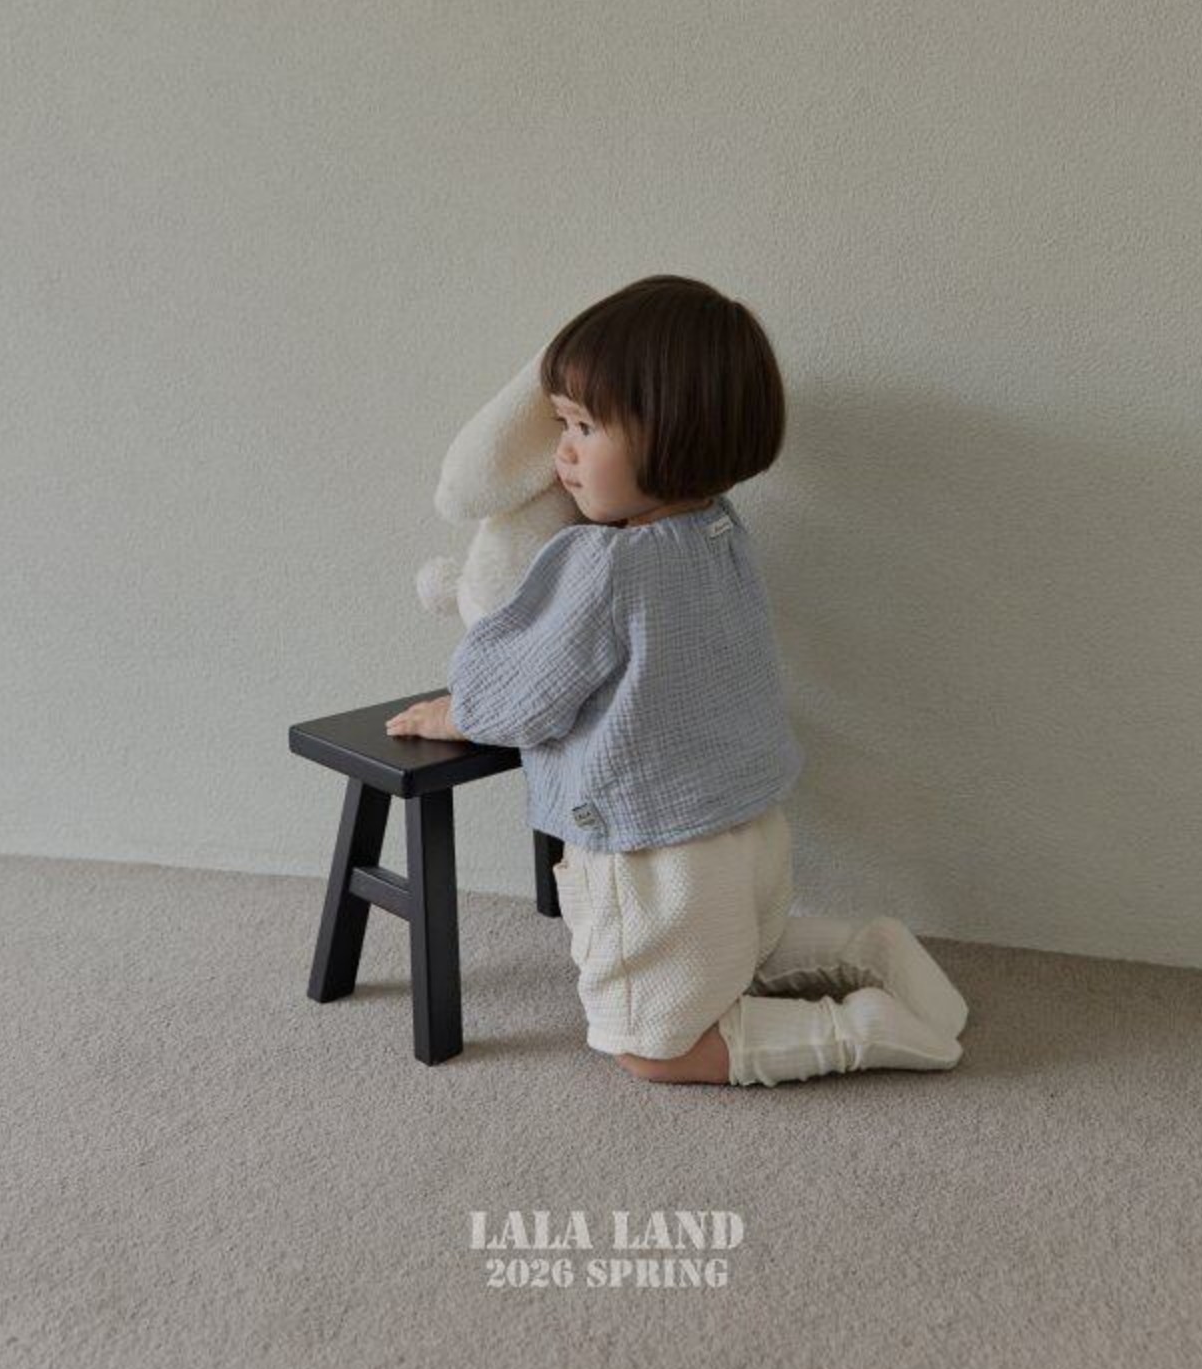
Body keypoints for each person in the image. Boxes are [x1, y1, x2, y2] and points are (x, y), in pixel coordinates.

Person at [386, 274, 969, 1087]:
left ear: (670, 432)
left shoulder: (602, 566)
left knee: (655, 1044)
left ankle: (853, 1030)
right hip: (748, 821)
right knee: (746, 950)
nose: (562, 454)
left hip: (654, 851)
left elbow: (522, 696)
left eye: (584, 427)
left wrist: (461, 707)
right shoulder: (721, 532)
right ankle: (868, 948)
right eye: (563, 426)